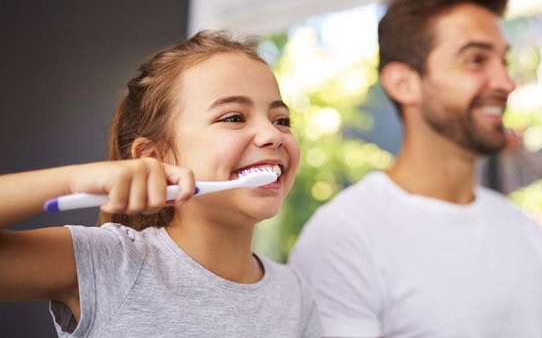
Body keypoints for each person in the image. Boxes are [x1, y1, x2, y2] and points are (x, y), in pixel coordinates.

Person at [288, 0, 542, 337]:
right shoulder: (343, 238)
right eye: (476, 59)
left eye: (503, 61)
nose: (506, 81)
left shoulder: (518, 227)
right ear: (404, 83)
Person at [0, 30, 321, 337]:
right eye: (234, 117)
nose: (272, 135)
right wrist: (74, 180)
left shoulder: (295, 294)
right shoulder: (107, 262)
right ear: (155, 157)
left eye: (281, 120)